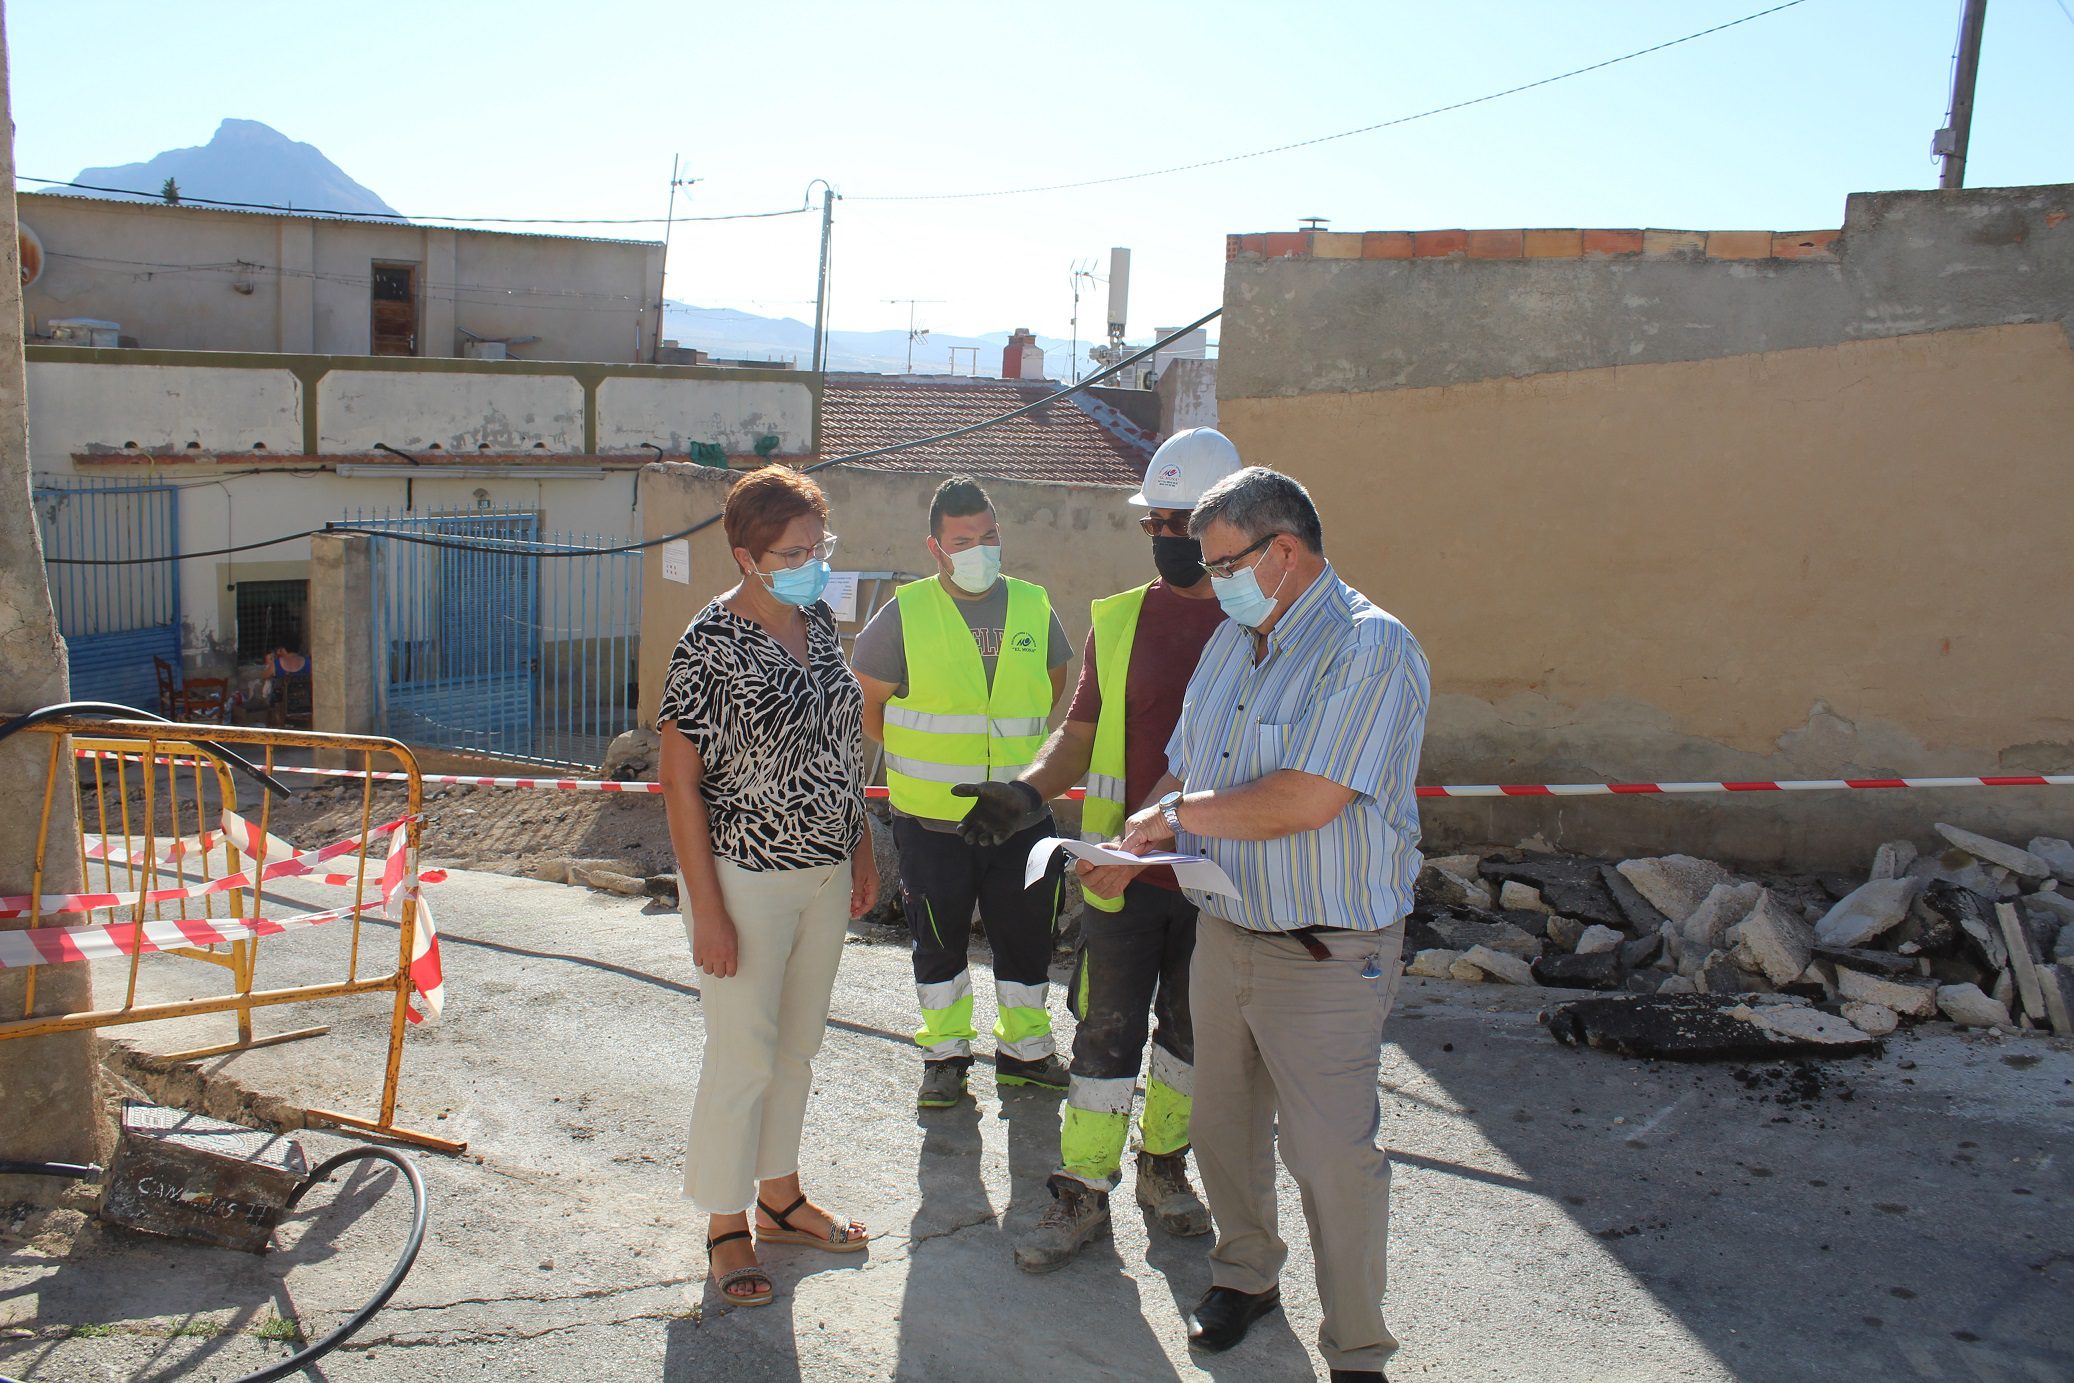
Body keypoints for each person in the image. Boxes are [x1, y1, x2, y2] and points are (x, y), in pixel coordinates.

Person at [1082, 464, 1430, 1383]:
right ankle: (1245, 1275)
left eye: (1225, 562)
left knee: (1330, 1157)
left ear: (1285, 550)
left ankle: (1358, 1347)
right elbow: (1184, 765)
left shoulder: (1370, 648)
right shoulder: (1236, 640)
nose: (1212, 580)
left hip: (1326, 951)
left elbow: (1309, 798)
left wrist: (1177, 817)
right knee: (1222, 1132)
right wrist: (1132, 838)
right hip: (1225, 931)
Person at [952, 428, 1241, 1273]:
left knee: (1192, 1034)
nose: (1163, 537)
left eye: (1178, 520)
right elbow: (1076, 737)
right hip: (1126, 869)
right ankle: (1083, 1185)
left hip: (1224, 875)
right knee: (1105, 1030)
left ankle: (1164, 1168)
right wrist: (1027, 790)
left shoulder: (1261, 621)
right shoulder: (1120, 620)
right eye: (1153, 522)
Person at [657, 465, 881, 1309]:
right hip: (744, 880)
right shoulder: (707, 642)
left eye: (818, 546)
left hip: (823, 872)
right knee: (741, 1056)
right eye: (794, 551)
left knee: (796, 1047)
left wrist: (859, 842)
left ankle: (779, 1196)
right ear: (749, 556)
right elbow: (679, 784)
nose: (812, 562)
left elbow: (836, 743)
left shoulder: (819, 620)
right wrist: (706, 908)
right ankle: (725, 1222)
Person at [853, 474, 1074, 1109]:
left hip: (1021, 822)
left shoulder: (1034, 606)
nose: (977, 549)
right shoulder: (905, 613)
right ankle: (945, 1058)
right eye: (962, 540)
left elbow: (1051, 691)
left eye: (988, 536)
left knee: (1028, 938)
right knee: (938, 941)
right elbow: (870, 708)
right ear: (936, 547)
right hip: (931, 824)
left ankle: (1026, 1052)